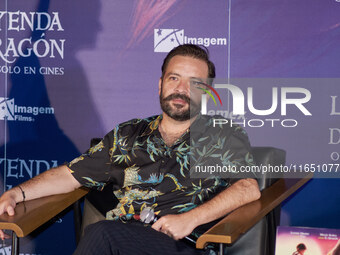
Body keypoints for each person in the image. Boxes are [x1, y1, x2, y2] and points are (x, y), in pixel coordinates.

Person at [0, 44, 261, 254]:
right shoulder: (128, 135)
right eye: (174, 78)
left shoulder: (223, 134)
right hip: (122, 241)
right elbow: (70, 175)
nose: (181, 89)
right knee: (105, 234)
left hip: (184, 245)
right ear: (160, 84)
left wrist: (190, 219)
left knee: (101, 232)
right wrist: (17, 194)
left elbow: (247, 187)